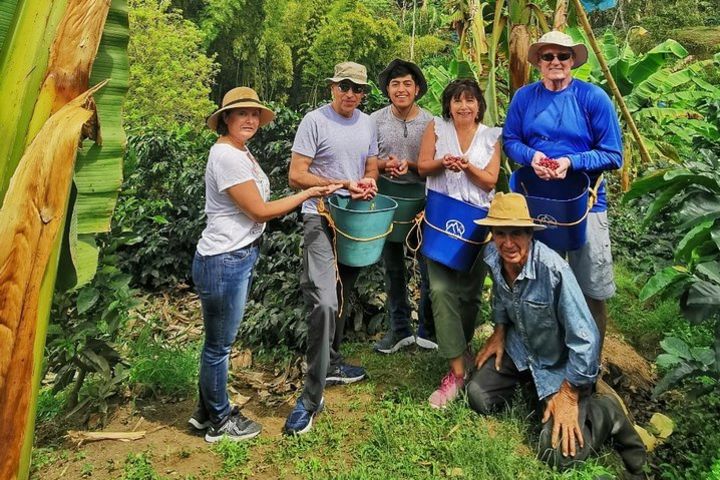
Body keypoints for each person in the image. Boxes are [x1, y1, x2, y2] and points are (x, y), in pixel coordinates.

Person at [189, 87, 341, 443]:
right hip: (224, 259)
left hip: (235, 255)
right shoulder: (226, 155)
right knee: (219, 346)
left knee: (216, 342)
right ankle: (220, 421)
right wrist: (306, 194)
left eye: (254, 114)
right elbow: (258, 210)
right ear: (226, 118)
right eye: (242, 114)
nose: (250, 120)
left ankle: (204, 412)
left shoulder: (240, 151)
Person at [467, 192, 647, 477]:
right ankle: (535, 391)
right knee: (477, 396)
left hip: (560, 366)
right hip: (521, 350)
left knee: (558, 455)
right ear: (492, 234)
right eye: (500, 233)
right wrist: (499, 330)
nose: (508, 242)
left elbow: (586, 339)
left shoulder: (553, 270)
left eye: (516, 233)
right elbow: (500, 298)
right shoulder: (493, 255)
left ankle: (606, 414)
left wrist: (569, 393)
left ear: (530, 234)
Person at [503, 30, 623, 355]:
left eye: (563, 56)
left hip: (585, 205)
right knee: (541, 284)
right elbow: (511, 140)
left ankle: (590, 362)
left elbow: (613, 154)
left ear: (573, 62)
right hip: (539, 203)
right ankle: (547, 358)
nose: (556, 62)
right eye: (548, 56)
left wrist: (572, 162)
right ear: (539, 62)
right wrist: (534, 157)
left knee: (591, 288)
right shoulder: (525, 98)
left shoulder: (593, 98)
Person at [283, 62, 380, 435]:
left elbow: (370, 166)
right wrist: (342, 183)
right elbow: (296, 175)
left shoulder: (366, 123)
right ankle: (310, 397)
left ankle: (333, 362)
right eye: (344, 86)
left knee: (343, 290)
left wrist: (368, 183)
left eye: (357, 89)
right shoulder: (314, 121)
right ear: (332, 87)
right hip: (319, 216)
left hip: (354, 218)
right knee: (324, 301)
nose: (351, 94)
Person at [417, 79, 501, 409]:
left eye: (469, 101)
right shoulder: (436, 128)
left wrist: (467, 167)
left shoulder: (491, 136)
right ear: (448, 105)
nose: (463, 106)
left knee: (469, 292)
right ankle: (455, 371)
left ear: (479, 105)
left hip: (476, 222)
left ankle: (462, 348)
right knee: (439, 289)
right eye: (456, 100)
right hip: (441, 217)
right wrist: (443, 162)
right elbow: (424, 166)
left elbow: (491, 179)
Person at [370, 58, 437, 354]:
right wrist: (385, 166)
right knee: (393, 266)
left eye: (407, 84)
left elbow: (434, 164)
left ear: (417, 89)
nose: (401, 89)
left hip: (422, 200)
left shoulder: (431, 122)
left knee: (428, 265)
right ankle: (399, 330)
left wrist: (409, 165)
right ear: (387, 90)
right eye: (395, 84)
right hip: (386, 198)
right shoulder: (374, 121)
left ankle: (428, 331)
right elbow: (367, 160)